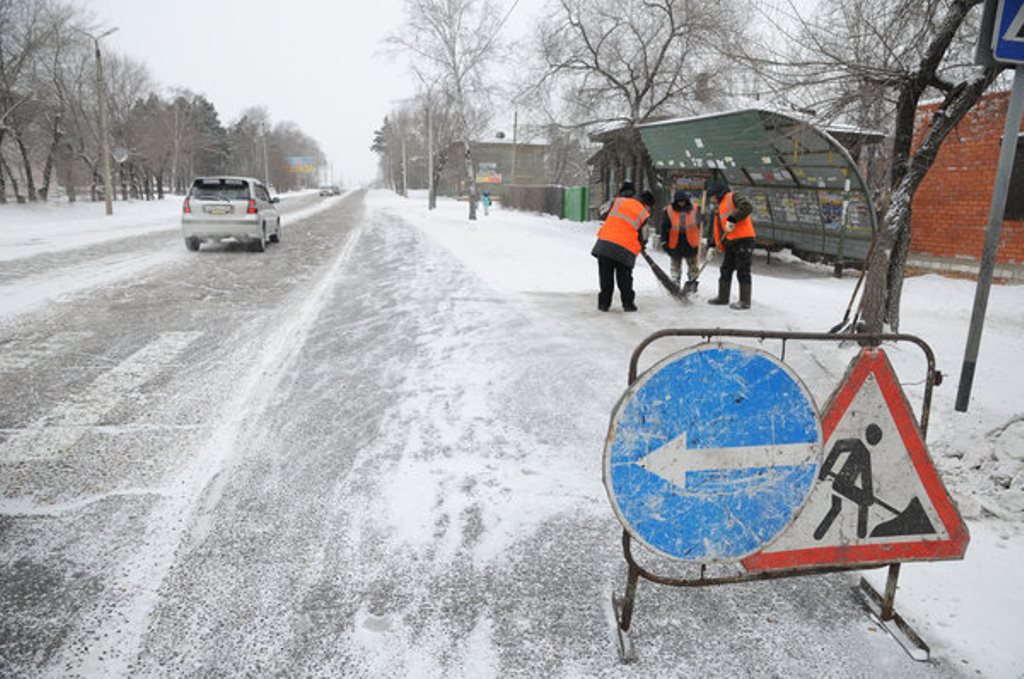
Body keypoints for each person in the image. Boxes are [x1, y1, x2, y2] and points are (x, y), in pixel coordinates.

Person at [591, 181, 652, 312]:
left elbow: (601, 212)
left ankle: (604, 304)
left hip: (605, 245)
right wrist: (642, 245)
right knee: (624, 278)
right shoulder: (643, 213)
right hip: (625, 249)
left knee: (605, 277)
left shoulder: (616, 202)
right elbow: (645, 236)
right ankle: (628, 304)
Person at [706, 181, 756, 309]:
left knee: (742, 269)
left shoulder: (733, 196)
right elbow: (717, 230)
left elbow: (747, 206)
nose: (712, 199)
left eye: (713, 196)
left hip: (744, 239)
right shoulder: (718, 208)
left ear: (719, 194)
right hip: (730, 241)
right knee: (725, 269)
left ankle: (745, 301)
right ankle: (723, 297)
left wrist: (733, 218)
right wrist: (712, 246)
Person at [659, 190, 701, 294]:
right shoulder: (669, 210)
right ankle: (675, 283)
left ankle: (692, 282)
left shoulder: (695, 209)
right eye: (679, 201)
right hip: (675, 242)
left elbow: (701, 223)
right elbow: (664, 227)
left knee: (692, 264)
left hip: (690, 241)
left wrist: (702, 219)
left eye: (683, 201)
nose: (681, 203)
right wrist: (664, 241)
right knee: (675, 264)